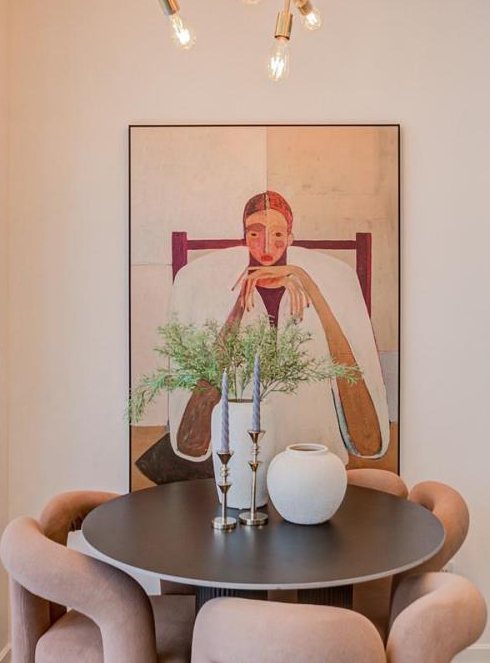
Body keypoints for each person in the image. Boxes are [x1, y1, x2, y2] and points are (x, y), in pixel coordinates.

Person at [165, 190, 389, 463]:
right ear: (244, 237)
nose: (266, 247)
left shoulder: (328, 277)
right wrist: (240, 300)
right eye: (255, 234)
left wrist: (302, 277)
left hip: (308, 427)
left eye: (278, 235)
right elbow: (193, 432)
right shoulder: (224, 287)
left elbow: (348, 374)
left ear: (291, 238)